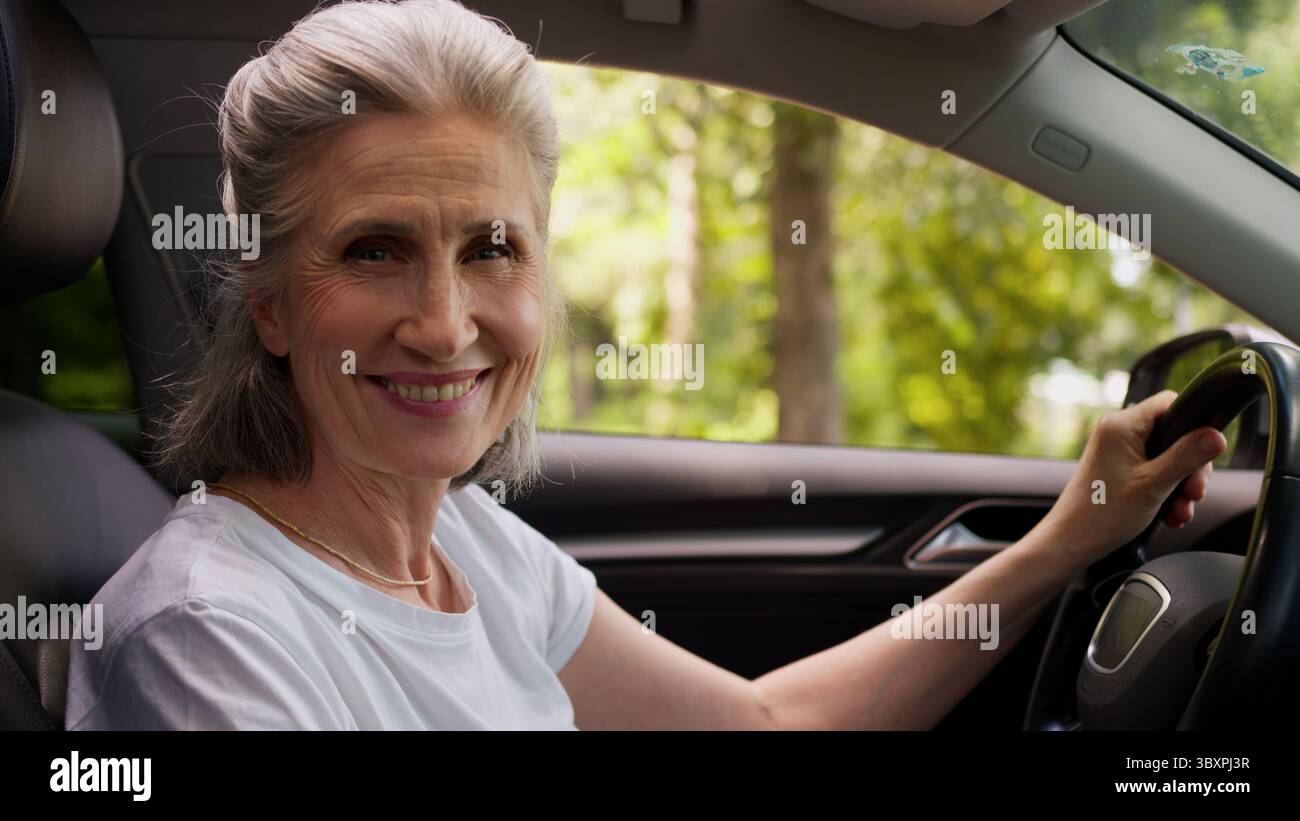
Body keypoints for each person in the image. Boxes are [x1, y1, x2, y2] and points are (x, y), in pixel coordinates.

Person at [64, 0, 1227, 730]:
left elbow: (765, 720)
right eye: (374, 250)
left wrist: (1063, 540)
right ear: (267, 300)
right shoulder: (204, 636)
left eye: (492, 247)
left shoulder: (462, 541)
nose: (443, 319)